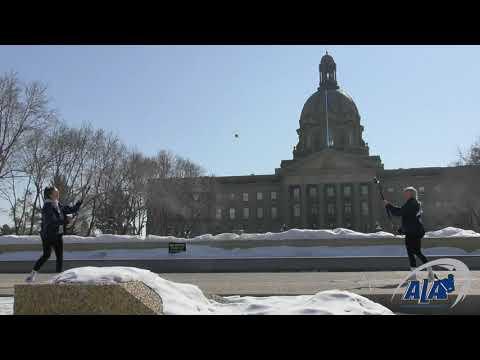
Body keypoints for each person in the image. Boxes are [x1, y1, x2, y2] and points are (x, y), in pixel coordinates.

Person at [25, 186, 82, 283]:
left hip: (57, 234)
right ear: (51, 195)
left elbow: (69, 210)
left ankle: (57, 278)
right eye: (56, 192)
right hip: (48, 235)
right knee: (46, 255)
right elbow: (52, 221)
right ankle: (32, 275)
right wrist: (66, 220)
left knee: (59, 257)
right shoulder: (47, 206)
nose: (58, 193)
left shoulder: (57, 204)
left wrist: (78, 204)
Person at [384, 186, 434, 280]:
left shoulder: (412, 203)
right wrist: (400, 230)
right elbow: (409, 219)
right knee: (414, 253)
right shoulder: (412, 203)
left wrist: (388, 205)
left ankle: (421, 274)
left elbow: (400, 212)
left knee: (414, 253)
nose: (404, 194)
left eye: (406, 193)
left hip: (413, 233)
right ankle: (423, 274)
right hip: (414, 231)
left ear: (411, 194)